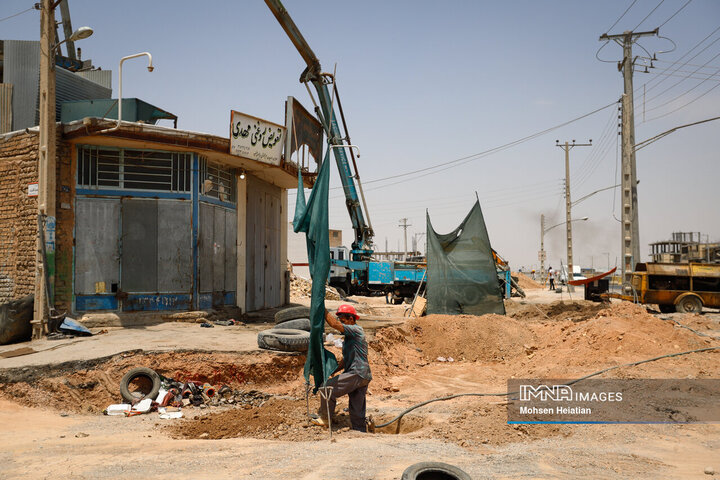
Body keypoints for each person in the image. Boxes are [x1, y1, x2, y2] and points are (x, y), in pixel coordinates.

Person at [312, 304, 372, 432]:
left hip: (357, 372)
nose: (341, 323)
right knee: (356, 407)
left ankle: (325, 418)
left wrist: (322, 308)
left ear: (351, 319)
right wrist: (333, 371)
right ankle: (360, 431)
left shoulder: (356, 330)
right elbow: (346, 361)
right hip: (362, 375)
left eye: (343, 320)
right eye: (340, 320)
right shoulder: (350, 338)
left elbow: (333, 324)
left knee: (326, 388)